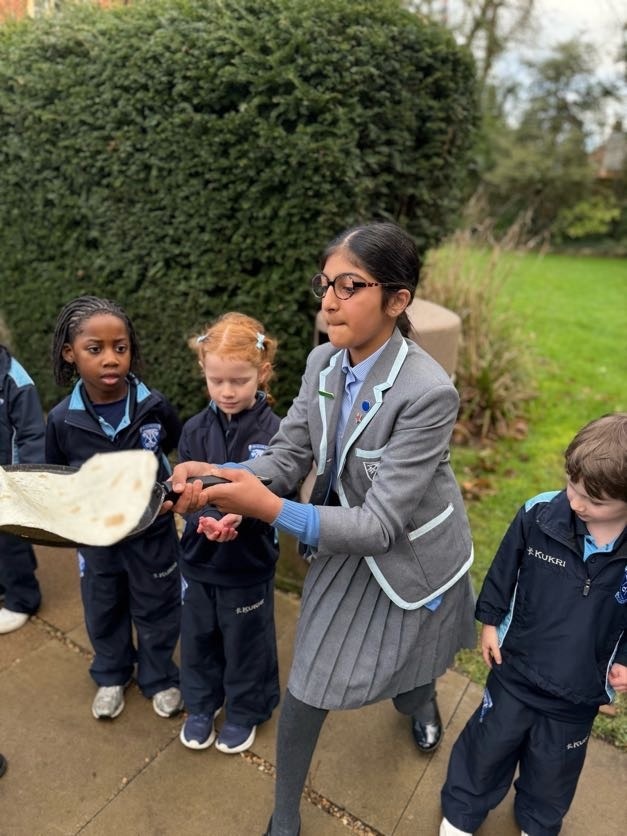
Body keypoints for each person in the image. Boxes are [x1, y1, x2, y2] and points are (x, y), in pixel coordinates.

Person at [165, 221, 476, 836]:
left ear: (397, 300)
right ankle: (285, 815)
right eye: (326, 284)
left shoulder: (428, 392)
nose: (330, 301)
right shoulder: (322, 363)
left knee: (414, 664)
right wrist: (217, 476)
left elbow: (382, 525)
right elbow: (286, 457)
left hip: (410, 556)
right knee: (308, 684)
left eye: (349, 286)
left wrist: (269, 509)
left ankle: (419, 701)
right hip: (341, 542)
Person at [440, 412, 627, 836]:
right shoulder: (539, 515)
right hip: (516, 670)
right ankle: (463, 809)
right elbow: (504, 570)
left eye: (593, 500)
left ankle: (539, 822)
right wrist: (490, 622)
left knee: (554, 769)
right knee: (487, 746)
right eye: (571, 484)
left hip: (576, 694)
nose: (575, 502)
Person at [46, 296, 183, 721]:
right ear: (70, 354)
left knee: (158, 608)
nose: (110, 358)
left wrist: (167, 497)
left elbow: (172, 450)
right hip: (97, 540)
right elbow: (56, 476)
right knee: (103, 607)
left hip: (152, 535)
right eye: (95, 349)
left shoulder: (153, 406)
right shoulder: (62, 420)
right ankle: (111, 673)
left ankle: (159, 676)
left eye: (119, 348)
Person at [177, 312, 282, 754]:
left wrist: (244, 515)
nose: (226, 391)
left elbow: (281, 490)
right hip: (199, 560)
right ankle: (202, 705)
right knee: (198, 638)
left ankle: (245, 710)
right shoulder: (193, 430)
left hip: (248, 564)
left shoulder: (276, 432)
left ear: (262, 373)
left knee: (246, 642)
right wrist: (200, 517)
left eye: (239, 381)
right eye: (216, 380)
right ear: (203, 370)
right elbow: (183, 490)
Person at [0, 339, 45, 634]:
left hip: (9, 479)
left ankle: (23, 599)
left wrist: (25, 480)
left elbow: (31, 434)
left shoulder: (14, 380)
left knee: (10, 541)